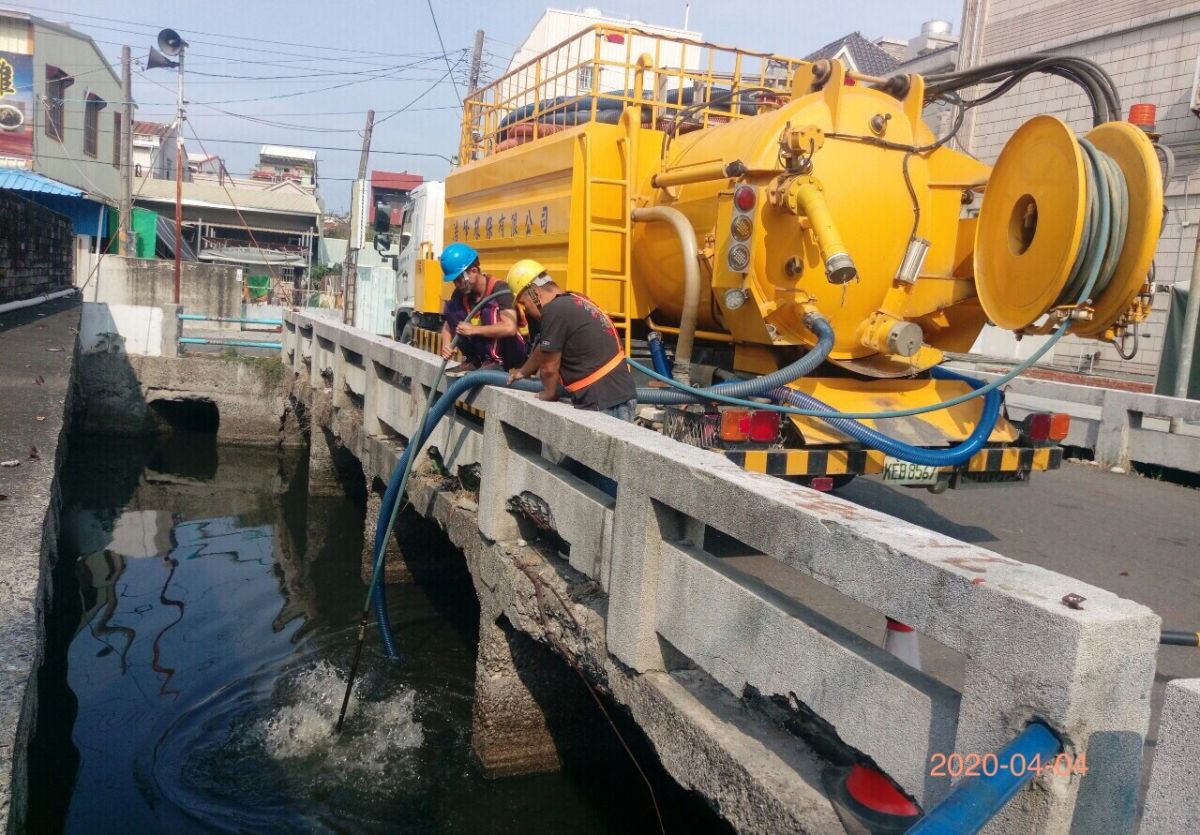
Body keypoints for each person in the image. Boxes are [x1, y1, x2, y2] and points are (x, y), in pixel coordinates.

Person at [504, 259, 637, 423]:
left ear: (535, 294)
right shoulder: (573, 300)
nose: (526, 311)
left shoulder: (553, 311)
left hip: (605, 401)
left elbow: (549, 368)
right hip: (615, 395)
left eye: (524, 304)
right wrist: (522, 371)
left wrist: (548, 393)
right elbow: (544, 349)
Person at [437, 243, 527, 373]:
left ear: (473, 270)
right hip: (483, 356)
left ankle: (495, 361)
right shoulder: (460, 294)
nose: (456, 284)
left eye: (459, 279)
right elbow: (448, 325)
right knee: (452, 308)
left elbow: (509, 328)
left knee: (488, 309)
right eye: (454, 281)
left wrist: (473, 329)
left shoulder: (500, 289)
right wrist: (447, 344)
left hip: (512, 353)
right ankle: (473, 361)